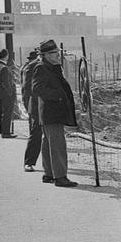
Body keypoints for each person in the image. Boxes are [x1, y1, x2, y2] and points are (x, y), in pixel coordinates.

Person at [31, 39, 78, 188]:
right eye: (54, 53)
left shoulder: (52, 67)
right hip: (52, 112)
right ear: (45, 55)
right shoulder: (42, 68)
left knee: (48, 143)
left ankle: (49, 174)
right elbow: (37, 89)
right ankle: (60, 177)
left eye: (57, 52)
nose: (58, 55)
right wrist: (57, 96)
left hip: (51, 112)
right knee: (57, 144)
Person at [20, 49, 42, 171]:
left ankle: (52, 167)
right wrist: (29, 107)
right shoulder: (31, 67)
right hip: (35, 106)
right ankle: (29, 162)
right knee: (36, 133)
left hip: (49, 105)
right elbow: (26, 90)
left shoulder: (52, 66)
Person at [0, 48, 16, 138]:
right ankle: (6, 132)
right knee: (7, 112)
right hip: (6, 93)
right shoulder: (4, 68)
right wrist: (11, 92)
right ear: (6, 56)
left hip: (1, 92)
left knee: (2, 112)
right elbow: (6, 82)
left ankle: (2, 130)